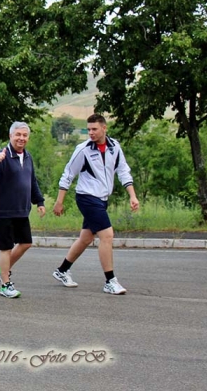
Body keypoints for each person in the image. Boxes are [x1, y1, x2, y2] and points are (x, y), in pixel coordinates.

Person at [52, 113, 139, 295]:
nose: (90, 133)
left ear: (104, 128)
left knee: (86, 238)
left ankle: (62, 270)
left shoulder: (114, 147)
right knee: (107, 235)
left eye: (94, 129)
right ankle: (110, 281)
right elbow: (68, 174)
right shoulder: (83, 150)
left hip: (102, 199)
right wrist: (59, 202)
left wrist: (132, 196)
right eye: (88, 129)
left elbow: (123, 171)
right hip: (87, 197)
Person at [0, 122, 46, 299]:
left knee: (26, 242)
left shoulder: (27, 157)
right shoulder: (3, 154)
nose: (21, 138)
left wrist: (39, 201)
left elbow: (32, 181)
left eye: (24, 135)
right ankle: (5, 284)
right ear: (11, 136)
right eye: (18, 134)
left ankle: (1, 270)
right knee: (6, 248)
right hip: (3, 210)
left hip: (21, 210)